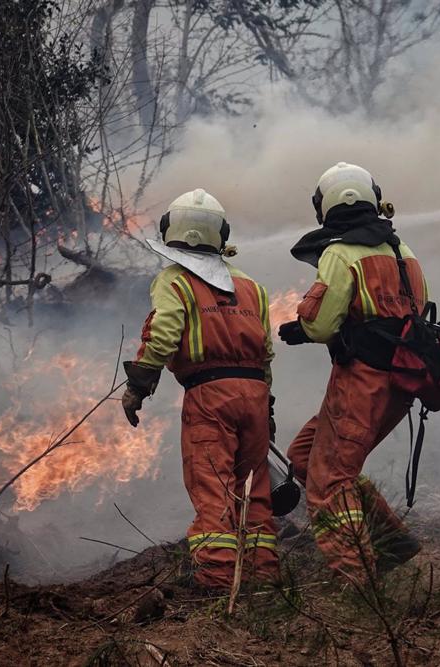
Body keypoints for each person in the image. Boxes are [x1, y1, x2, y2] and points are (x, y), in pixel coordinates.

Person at [121, 188, 279, 590]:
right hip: (255, 395)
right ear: (221, 235)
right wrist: (267, 410)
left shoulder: (174, 280)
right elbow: (265, 353)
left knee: (213, 484)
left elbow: (163, 335)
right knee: (255, 487)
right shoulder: (251, 286)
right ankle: (262, 576)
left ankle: (216, 578)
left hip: (210, 396)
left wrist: (138, 385)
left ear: (170, 230)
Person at [278, 163, 424, 583]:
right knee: (305, 456)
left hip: (362, 384)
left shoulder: (339, 254)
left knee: (328, 483)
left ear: (324, 207)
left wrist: (306, 329)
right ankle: (391, 544)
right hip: (400, 383)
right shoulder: (403, 252)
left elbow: (322, 324)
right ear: (372, 199)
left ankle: (356, 579)